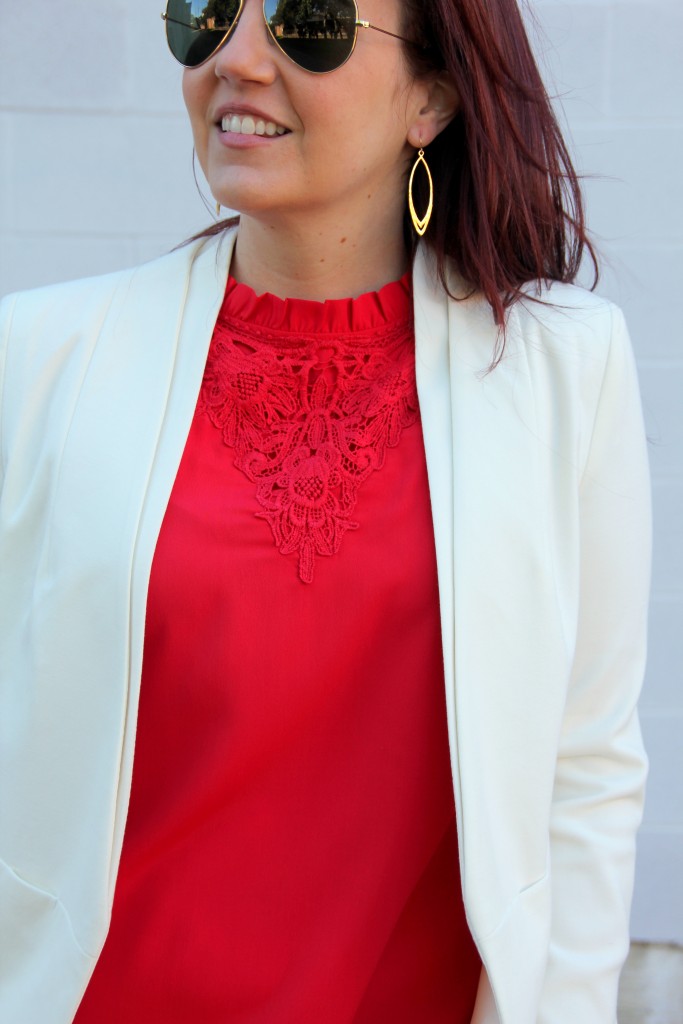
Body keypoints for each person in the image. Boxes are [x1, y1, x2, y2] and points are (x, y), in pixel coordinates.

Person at [0, 0, 651, 1021]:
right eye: (207, 16)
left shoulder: (565, 372)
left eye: (307, 21)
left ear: (429, 97)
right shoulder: (39, 362)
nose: (237, 60)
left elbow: (586, 762)